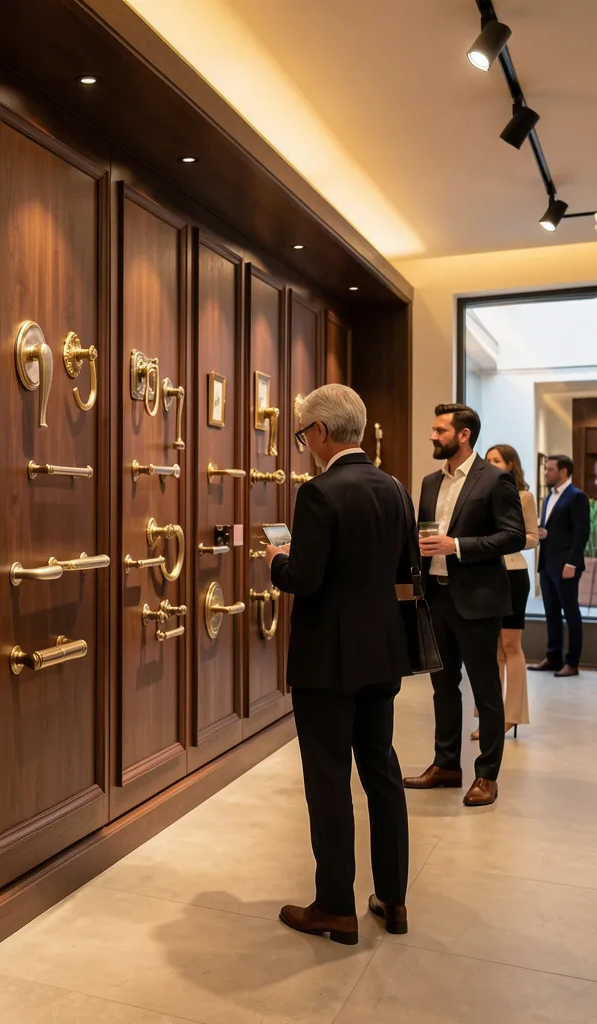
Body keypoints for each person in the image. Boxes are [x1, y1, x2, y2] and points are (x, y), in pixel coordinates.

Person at [265, 383, 412, 946]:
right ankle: (393, 899)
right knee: (382, 773)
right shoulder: (395, 489)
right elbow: (402, 568)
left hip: (327, 660)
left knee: (328, 780)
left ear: (321, 432)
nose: (306, 445)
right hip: (382, 652)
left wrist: (279, 561)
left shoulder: (318, 493)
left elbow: (304, 578)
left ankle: (335, 907)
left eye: (304, 434)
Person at [403, 404, 525, 807]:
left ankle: (487, 774)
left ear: (464, 435)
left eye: (440, 430)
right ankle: (447, 764)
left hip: (478, 601)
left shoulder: (495, 480)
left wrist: (457, 547)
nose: (433, 436)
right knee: (442, 687)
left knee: (486, 690)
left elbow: (513, 536)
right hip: (436, 597)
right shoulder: (428, 482)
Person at [469, 445, 538, 740]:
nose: (491, 464)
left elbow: (533, 537)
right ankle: (489, 718)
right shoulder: (482, 494)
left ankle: (512, 716)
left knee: (511, 646)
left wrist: (501, 541)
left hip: (513, 575)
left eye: (497, 460)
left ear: (511, 465)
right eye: (489, 460)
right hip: (486, 574)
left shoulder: (524, 497)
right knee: (490, 649)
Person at [529, 454, 590, 677]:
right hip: (546, 565)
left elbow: (582, 533)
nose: (545, 473)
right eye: (546, 469)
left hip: (566, 566)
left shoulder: (576, 497)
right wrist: (544, 532)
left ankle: (572, 663)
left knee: (571, 613)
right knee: (551, 613)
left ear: (563, 471)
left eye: (550, 469)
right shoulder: (548, 498)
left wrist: (571, 563)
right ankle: (553, 658)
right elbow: (558, 529)